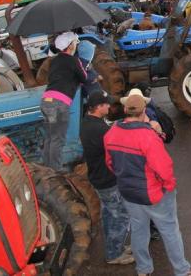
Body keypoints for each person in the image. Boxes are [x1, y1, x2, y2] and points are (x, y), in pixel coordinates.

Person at [104, 92, 191, 276]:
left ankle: (143, 269)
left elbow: (110, 163)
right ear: (144, 112)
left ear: (125, 110)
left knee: (138, 230)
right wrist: (169, 186)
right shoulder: (148, 136)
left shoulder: (111, 133)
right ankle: (182, 270)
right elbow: (164, 168)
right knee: (170, 231)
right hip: (153, 194)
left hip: (128, 192)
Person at [79, 91, 133, 266]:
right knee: (120, 216)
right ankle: (114, 254)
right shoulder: (100, 129)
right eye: (106, 104)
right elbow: (116, 149)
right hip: (107, 180)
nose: (109, 106)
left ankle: (114, 246)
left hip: (97, 177)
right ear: (98, 107)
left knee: (109, 214)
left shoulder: (86, 123)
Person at [41, 32, 86, 170]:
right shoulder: (73, 60)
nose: (75, 46)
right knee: (58, 139)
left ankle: (47, 169)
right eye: (74, 43)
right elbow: (83, 77)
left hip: (46, 101)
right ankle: (56, 172)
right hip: (59, 104)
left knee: (50, 137)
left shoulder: (54, 61)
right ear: (70, 45)